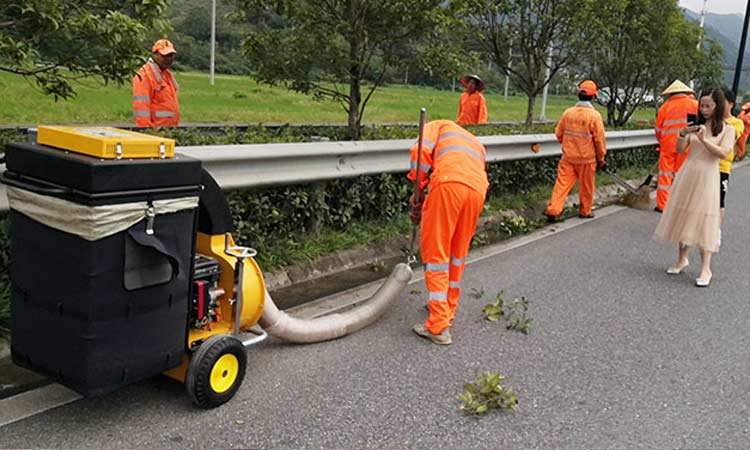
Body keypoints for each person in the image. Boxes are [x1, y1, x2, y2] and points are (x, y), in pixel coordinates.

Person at [407, 120, 489, 345]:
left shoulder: (437, 126)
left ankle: (438, 326)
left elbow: (420, 150)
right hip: (477, 190)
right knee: (456, 252)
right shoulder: (472, 141)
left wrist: (419, 187)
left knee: (437, 253)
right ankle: (446, 308)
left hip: (448, 183)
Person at [654, 88, 735, 288]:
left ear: (718, 106)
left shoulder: (727, 128)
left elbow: (723, 153)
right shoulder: (696, 125)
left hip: (708, 176)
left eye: (709, 106)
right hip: (688, 172)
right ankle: (682, 258)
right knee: (684, 214)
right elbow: (680, 149)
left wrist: (704, 139)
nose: (704, 110)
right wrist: (683, 133)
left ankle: (706, 267)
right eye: (702, 105)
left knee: (704, 218)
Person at [544, 80, 606, 222]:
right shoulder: (595, 116)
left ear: (579, 95)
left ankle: (553, 210)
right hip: (587, 159)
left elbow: (559, 134)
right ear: (593, 97)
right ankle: (585, 211)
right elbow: (599, 140)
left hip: (568, 158)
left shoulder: (568, 113)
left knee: (561, 185)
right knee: (586, 187)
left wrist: (568, 144)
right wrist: (601, 158)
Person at [654, 80, 699, 212]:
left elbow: (658, 130)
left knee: (665, 175)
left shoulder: (665, 107)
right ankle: (680, 203)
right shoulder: (695, 105)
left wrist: (662, 142)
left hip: (667, 145)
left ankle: (662, 205)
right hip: (686, 143)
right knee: (681, 174)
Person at [132, 39, 180, 127]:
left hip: (168, 130)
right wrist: (145, 130)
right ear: (155, 55)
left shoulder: (166, 75)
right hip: (155, 131)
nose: (168, 59)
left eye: (171, 55)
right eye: (164, 55)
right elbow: (141, 107)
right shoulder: (144, 75)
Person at [718, 87, 744, 224]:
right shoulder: (709, 120)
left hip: (722, 168)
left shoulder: (736, 123)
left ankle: (715, 232)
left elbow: (733, 136)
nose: (719, 105)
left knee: (719, 202)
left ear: (731, 104)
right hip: (706, 166)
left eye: (723, 101)